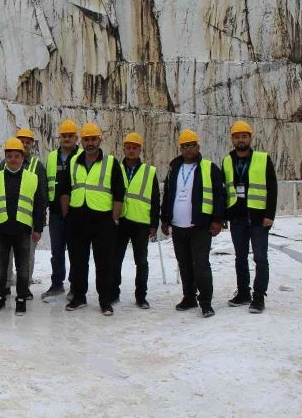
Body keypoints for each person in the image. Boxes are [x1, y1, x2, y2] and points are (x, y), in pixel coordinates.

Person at [60, 123, 125, 316]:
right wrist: (67, 215)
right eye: (87, 139)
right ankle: (79, 297)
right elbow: (64, 190)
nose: (90, 143)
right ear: (82, 141)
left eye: (93, 139)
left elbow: (119, 194)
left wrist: (114, 219)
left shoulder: (111, 162)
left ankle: (105, 300)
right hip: (77, 218)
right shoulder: (73, 161)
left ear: (99, 140)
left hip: (103, 220)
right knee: (78, 260)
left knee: (104, 262)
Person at [160, 129, 226, 318]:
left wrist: (217, 220)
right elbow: (168, 195)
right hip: (178, 226)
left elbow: (219, 196)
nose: (188, 149)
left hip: (200, 225)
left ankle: (205, 302)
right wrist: (164, 219)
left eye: (191, 145)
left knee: (201, 264)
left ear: (198, 147)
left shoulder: (209, 167)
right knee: (184, 264)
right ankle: (189, 297)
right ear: (180, 148)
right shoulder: (174, 168)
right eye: (184, 146)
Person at [0, 138, 46, 316]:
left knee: (23, 268)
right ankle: (0, 299)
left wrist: (38, 229)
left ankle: (21, 300)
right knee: (1, 267)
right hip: (1, 230)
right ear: (5, 157)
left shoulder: (32, 178)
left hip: (23, 230)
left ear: (22, 157)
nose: (13, 159)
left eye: (17, 156)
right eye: (9, 156)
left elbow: (39, 206)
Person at [223, 121, 277, 313]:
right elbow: (224, 189)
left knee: (260, 258)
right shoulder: (227, 160)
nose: (240, 140)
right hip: (237, 218)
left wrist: (269, 214)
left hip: (258, 218)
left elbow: (272, 188)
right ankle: (243, 293)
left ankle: (259, 297)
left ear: (250, 138)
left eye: (244, 136)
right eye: (237, 137)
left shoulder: (263, 159)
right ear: (232, 139)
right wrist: (223, 216)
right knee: (240, 258)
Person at [111, 132, 160, 309]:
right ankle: (113, 293)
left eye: (135, 148)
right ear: (123, 149)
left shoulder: (149, 171)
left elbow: (155, 199)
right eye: (128, 147)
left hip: (141, 222)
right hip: (121, 221)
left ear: (140, 150)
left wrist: (154, 224)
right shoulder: (116, 168)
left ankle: (141, 296)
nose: (131, 151)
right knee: (115, 259)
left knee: (141, 261)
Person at [0, 128, 47, 300]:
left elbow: (42, 196)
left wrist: (39, 223)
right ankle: (4, 286)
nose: (24, 144)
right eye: (22, 140)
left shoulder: (37, 166)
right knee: (6, 255)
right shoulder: (3, 164)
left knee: (26, 256)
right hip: (6, 218)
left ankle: (24, 287)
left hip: (27, 219)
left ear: (31, 144)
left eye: (28, 141)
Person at [42, 120, 81, 302]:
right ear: (60, 138)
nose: (66, 139)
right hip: (56, 212)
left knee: (75, 250)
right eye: (64, 136)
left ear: (76, 138)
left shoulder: (82, 156)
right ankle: (57, 284)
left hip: (76, 211)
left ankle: (75, 286)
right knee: (57, 250)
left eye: (70, 136)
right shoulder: (51, 157)